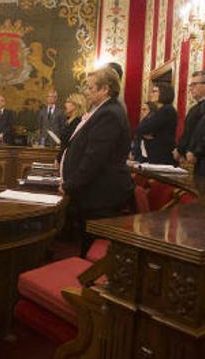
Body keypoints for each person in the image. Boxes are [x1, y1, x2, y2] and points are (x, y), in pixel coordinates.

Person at [61, 67, 133, 256]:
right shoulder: (103, 110)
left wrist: (70, 184)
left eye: (91, 88)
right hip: (96, 190)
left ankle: (89, 281)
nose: (86, 92)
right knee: (86, 239)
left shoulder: (109, 113)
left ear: (105, 89)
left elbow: (94, 157)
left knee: (92, 245)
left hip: (102, 192)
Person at [132, 83, 176, 165]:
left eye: (154, 91)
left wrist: (149, 133)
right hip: (154, 155)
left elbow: (145, 129)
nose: (151, 94)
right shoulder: (157, 111)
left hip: (162, 156)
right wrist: (148, 134)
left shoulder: (167, 110)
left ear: (164, 93)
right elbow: (140, 130)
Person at [173, 71, 205, 165]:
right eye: (190, 85)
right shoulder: (195, 108)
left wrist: (182, 150)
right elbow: (187, 131)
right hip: (188, 156)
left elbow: (198, 133)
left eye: (194, 84)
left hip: (200, 157)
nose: (190, 89)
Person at [56, 93, 86, 163]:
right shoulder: (70, 121)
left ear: (75, 105)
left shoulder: (77, 122)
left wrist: (58, 158)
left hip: (71, 160)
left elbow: (69, 145)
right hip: (66, 159)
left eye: (67, 102)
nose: (65, 104)